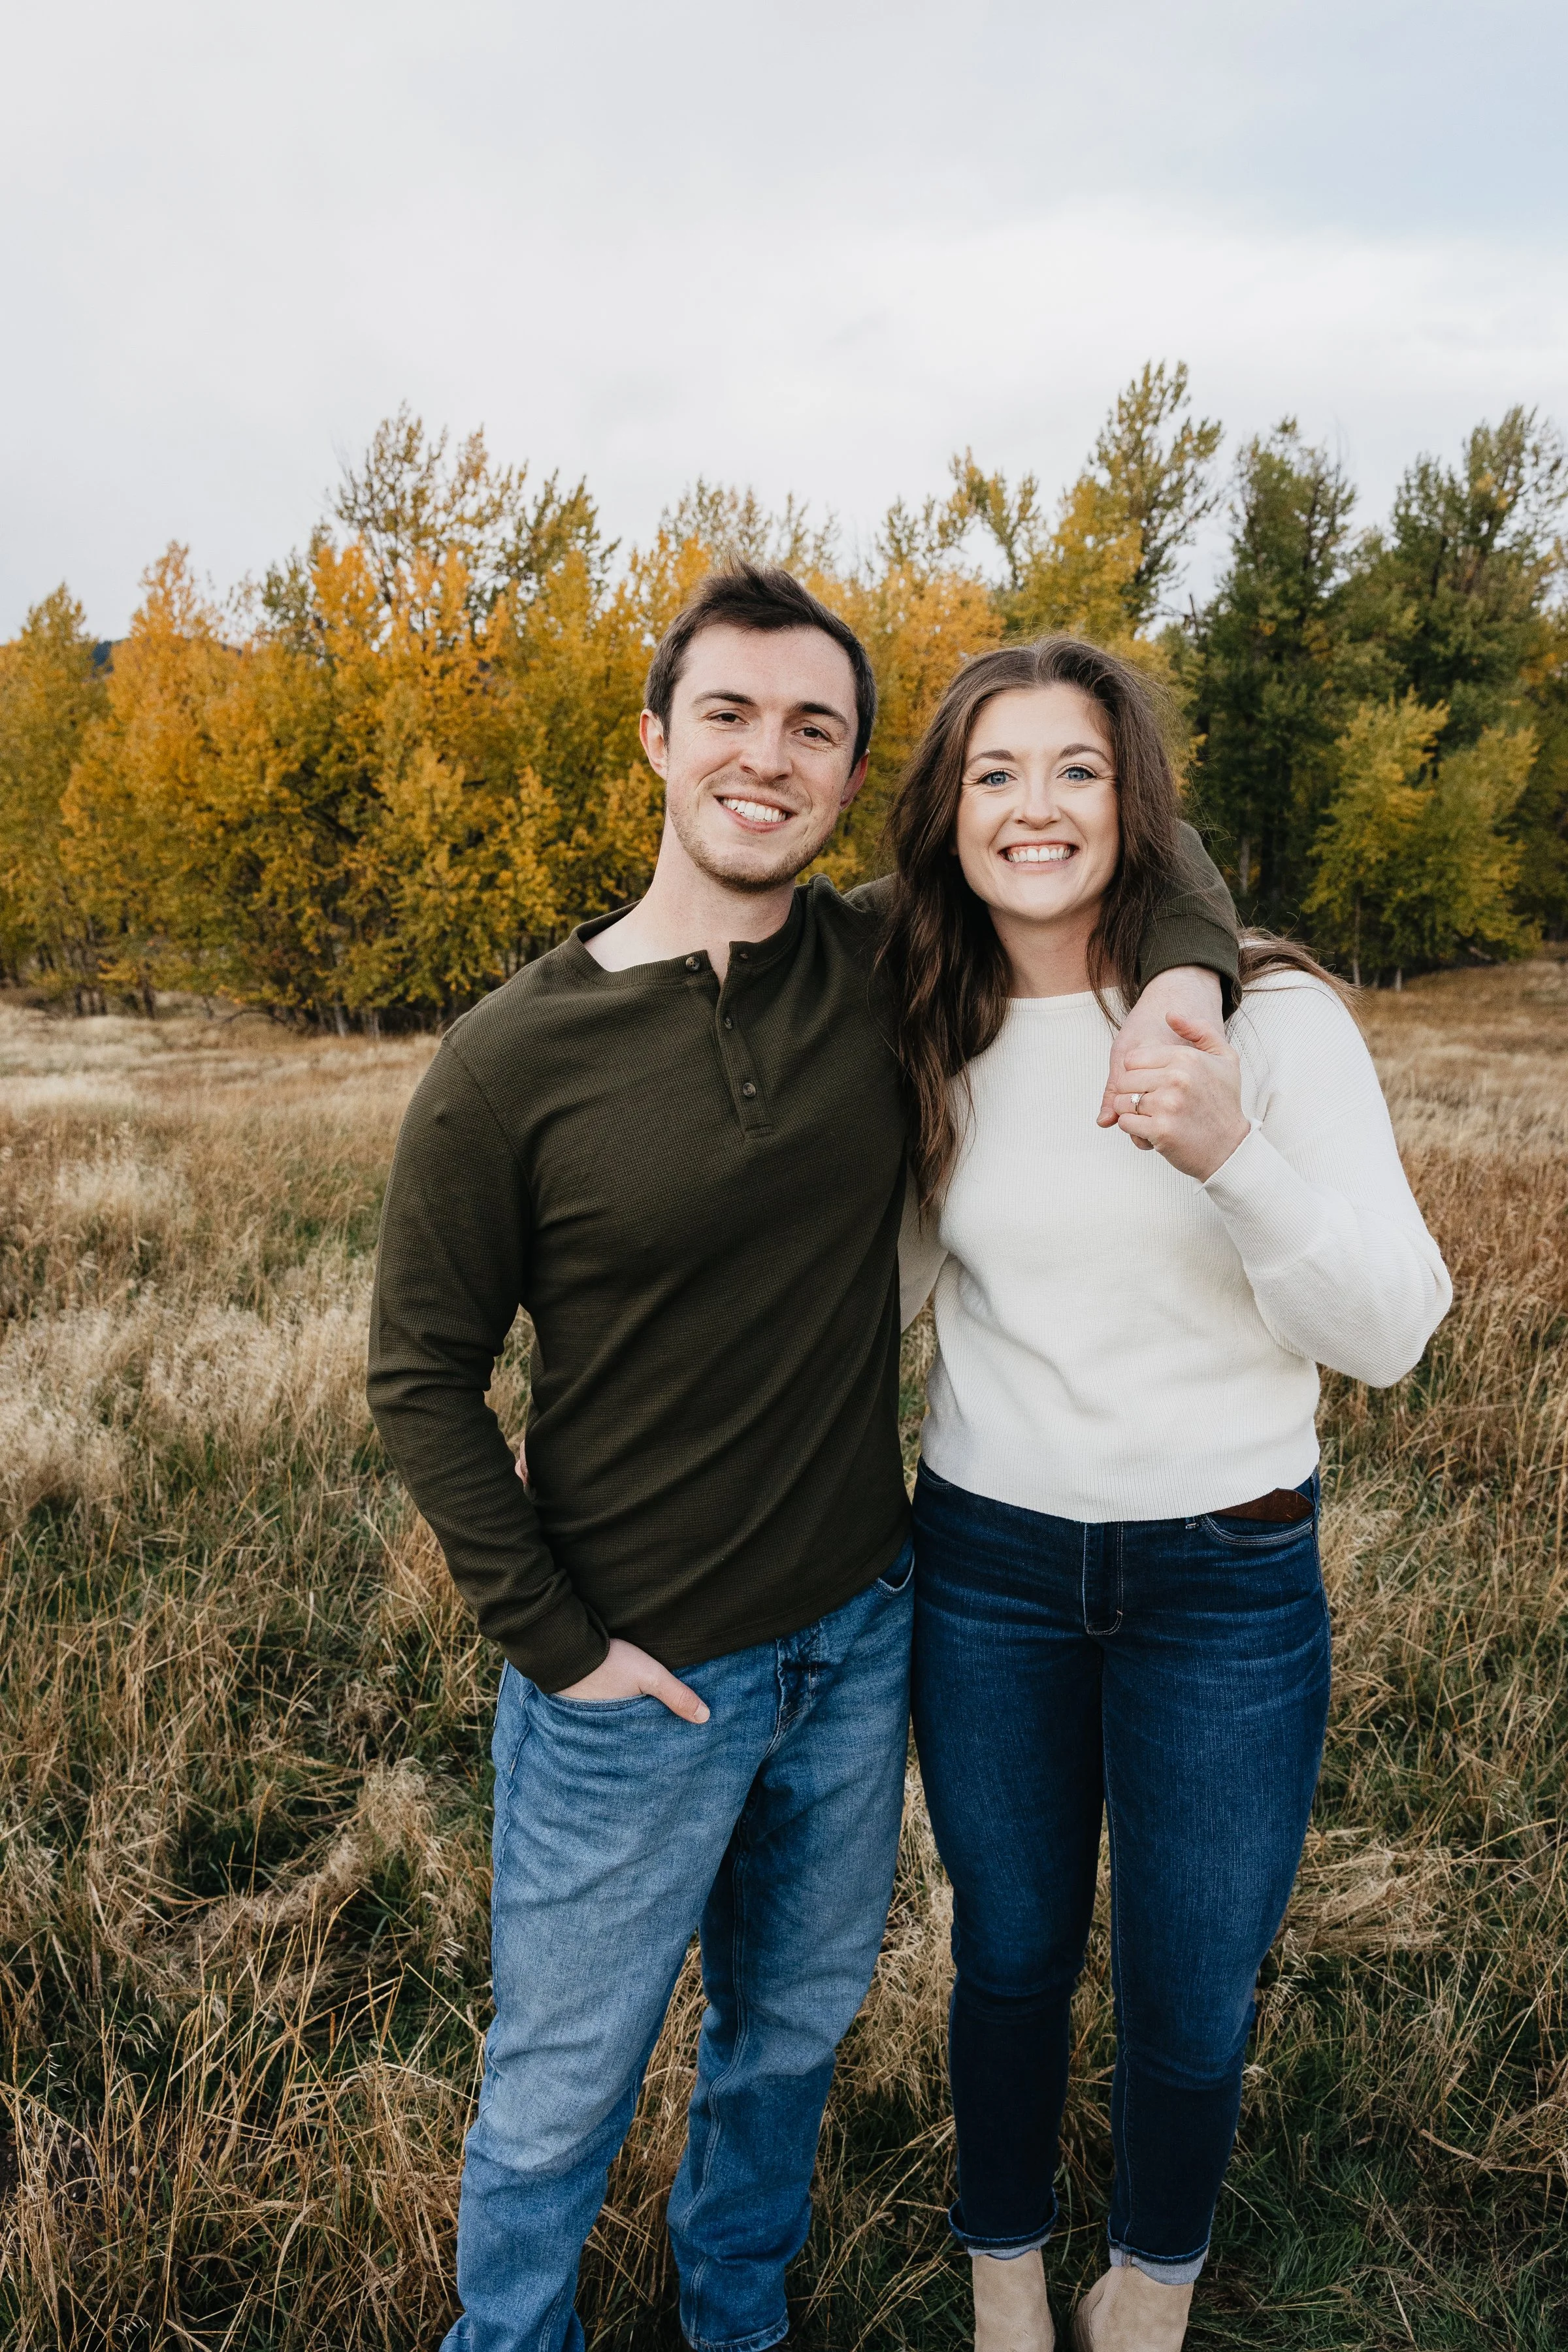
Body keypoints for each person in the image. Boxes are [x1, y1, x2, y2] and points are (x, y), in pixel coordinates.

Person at [367, 566, 1240, 2352]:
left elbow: (1139, 845)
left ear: (851, 777)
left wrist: (1190, 991)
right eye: (730, 715)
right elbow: (420, 1373)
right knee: (559, 2091)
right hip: (631, 1680)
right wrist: (557, 1643)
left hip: (857, 1639)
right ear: (657, 739)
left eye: (813, 729)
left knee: (783, 2042)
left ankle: (738, 2315)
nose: (767, 758)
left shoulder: (878, 959)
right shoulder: (509, 1059)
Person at [884, 637, 1452, 2352]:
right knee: (1010, 1954)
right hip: (988, 1565)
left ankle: (1152, 2275)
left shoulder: (1270, 1017)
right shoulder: (928, 1020)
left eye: (1077, 768)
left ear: (1137, 801)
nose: (1036, 806)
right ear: (948, 811)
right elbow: (879, 1299)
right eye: (994, 771)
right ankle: (1002, 2263)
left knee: (1191, 1983)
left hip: (1226, 1577)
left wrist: (1230, 1152)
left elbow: (1393, 1329)